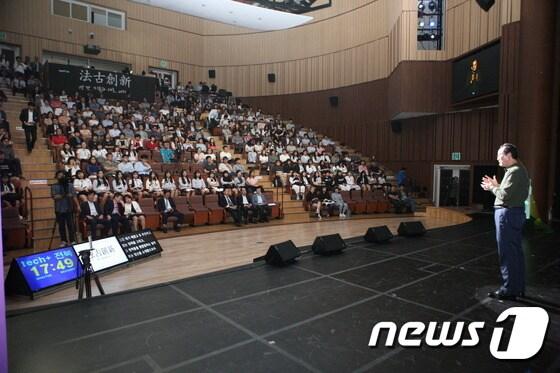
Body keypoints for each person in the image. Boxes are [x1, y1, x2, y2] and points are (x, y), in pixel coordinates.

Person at [481, 143, 530, 301]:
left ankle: (508, 289)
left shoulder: (514, 172)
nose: (497, 159)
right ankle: (517, 287)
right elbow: (508, 191)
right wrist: (498, 185)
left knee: (507, 253)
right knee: (515, 252)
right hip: (514, 213)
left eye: (500, 155)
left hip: (507, 214)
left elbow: (504, 195)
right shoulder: (518, 170)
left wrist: (492, 188)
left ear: (509, 156)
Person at [51, 170, 77, 245]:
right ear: (56, 177)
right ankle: (64, 240)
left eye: (62, 175)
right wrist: (64, 195)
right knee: (61, 226)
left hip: (69, 207)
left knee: (70, 225)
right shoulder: (54, 186)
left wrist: (77, 206)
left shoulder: (70, 185)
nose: (61, 177)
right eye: (59, 175)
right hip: (59, 209)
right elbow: (54, 196)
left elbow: (74, 195)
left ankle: (72, 240)